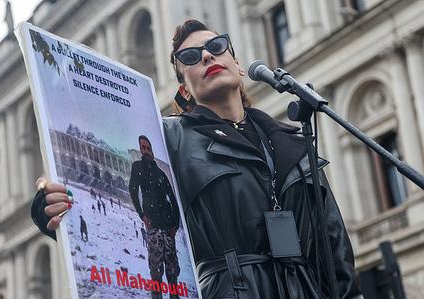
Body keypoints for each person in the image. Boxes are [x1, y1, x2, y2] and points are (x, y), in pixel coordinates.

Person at [31, 19, 362, 298]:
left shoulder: (293, 142)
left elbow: (333, 247)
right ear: (184, 89)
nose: (206, 54)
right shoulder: (170, 138)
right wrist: (51, 204)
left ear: (237, 64)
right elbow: (125, 194)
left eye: (217, 46)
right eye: (189, 56)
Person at [129, 135, 181, 299]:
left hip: (168, 227)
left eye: (148, 148)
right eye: (142, 148)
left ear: (152, 151)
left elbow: (172, 199)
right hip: (153, 224)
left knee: (172, 269)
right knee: (156, 267)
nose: (145, 151)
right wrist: (142, 215)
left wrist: (175, 225)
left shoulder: (160, 173)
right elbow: (133, 190)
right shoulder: (138, 166)